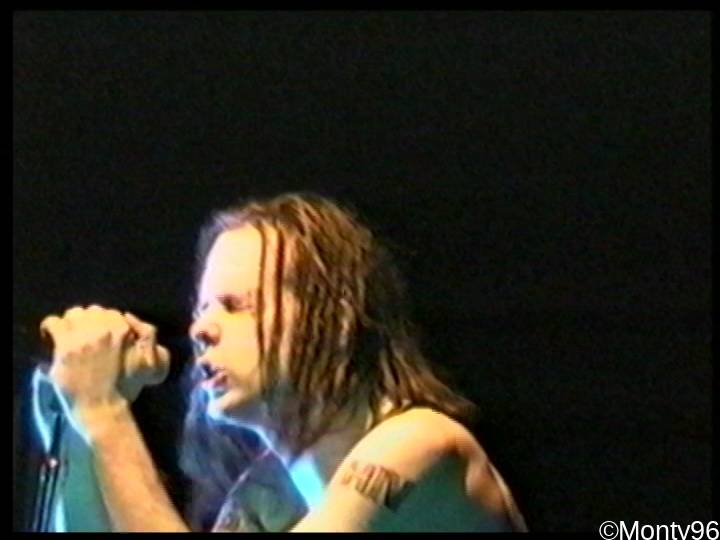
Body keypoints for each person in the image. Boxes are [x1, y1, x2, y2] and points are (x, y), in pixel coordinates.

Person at [34, 192, 528, 532]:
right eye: (202, 310)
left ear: (335, 318)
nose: (201, 330)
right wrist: (78, 419)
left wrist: (104, 414)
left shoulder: (417, 444)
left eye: (235, 305)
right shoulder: (266, 495)